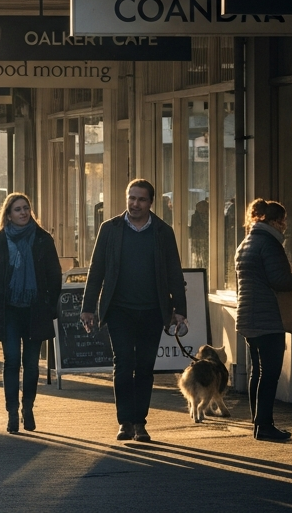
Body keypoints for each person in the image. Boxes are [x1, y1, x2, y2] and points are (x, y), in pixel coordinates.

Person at [80, 180, 187, 442]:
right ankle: (125, 422)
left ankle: (140, 423)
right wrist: (88, 308)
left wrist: (180, 310)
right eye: (131, 198)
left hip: (152, 310)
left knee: (145, 367)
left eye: (141, 199)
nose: (135, 204)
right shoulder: (111, 229)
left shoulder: (163, 232)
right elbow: (97, 271)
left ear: (151, 202)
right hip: (119, 309)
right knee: (124, 363)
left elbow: (174, 273)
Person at [0, 193, 62, 434]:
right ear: (8, 214)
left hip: (35, 310)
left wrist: (49, 305)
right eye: (17, 209)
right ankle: (12, 412)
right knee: (12, 361)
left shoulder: (44, 239)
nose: (23, 213)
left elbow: (55, 277)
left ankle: (28, 408)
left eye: (26, 208)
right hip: (9, 309)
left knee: (32, 365)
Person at [235, 198, 292, 442]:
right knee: (270, 373)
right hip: (267, 318)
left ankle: (259, 423)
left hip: (248, 316)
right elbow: (279, 280)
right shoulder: (270, 243)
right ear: (274, 221)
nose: (285, 226)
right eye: (283, 221)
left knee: (257, 372)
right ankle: (265, 425)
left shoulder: (247, 242)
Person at [189, 198, 210, 269]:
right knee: (199, 259)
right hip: (199, 240)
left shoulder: (209, 216)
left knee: (205, 258)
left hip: (205, 239)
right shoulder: (195, 217)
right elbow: (194, 229)